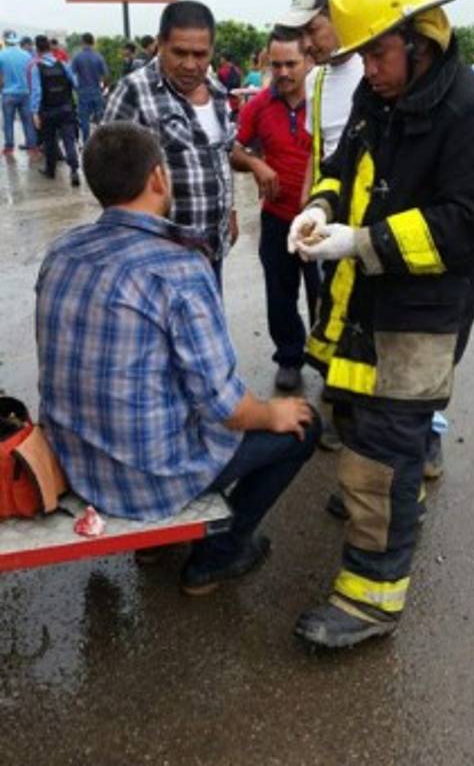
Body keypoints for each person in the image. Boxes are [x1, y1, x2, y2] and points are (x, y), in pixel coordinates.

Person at [288, 0, 474, 649]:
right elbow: (341, 167)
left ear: (423, 36)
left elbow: (465, 225)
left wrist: (359, 241)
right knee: (356, 424)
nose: (368, 70)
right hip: (359, 309)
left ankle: (370, 602)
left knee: (379, 459)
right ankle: (391, 493)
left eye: (377, 53)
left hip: (419, 322)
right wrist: (320, 210)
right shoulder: (377, 99)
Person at [36, 121, 320, 594]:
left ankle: (155, 541)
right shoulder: (178, 267)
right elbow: (228, 409)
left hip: (73, 463)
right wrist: (274, 412)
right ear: (158, 178)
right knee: (304, 426)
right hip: (149, 477)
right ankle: (218, 555)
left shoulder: (62, 251)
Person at [278, 0, 363, 449]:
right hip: (329, 215)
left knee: (372, 316)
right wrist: (307, 209)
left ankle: (412, 432)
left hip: (370, 221)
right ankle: (339, 403)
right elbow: (320, 154)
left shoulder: (378, 71)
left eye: (314, 29)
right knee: (328, 308)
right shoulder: (317, 79)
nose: (309, 44)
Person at [104, 0, 237, 289]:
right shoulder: (132, 92)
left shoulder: (216, 92)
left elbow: (221, 157)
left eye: (200, 54)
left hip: (211, 248)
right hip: (158, 257)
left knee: (205, 327)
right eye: (180, 52)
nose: (190, 65)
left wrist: (230, 213)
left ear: (212, 50)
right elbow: (108, 177)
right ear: (160, 44)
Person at [232, 28, 317, 391]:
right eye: (276, 64)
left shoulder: (325, 100)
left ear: (309, 60)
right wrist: (256, 164)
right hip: (277, 217)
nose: (283, 72)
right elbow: (233, 149)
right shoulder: (259, 105)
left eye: (291, 64)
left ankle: (329, 363)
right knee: (280, 293)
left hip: (320, 221)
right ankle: (289, 357)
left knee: (326, 295)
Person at [30, 35, 81, 186]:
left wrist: (34, 113)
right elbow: (75, 83)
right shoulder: (63, 64)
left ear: (38, 50)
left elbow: (37, 92)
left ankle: (50, 171)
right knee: (69, 140)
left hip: (48, 111)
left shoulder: (36, 68)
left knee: (50, 141)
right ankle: (74, 170)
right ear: (50, 48)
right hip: (66, 109)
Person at [0, 30, 38, 158]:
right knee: (27, 121)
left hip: (8, 93)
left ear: (5, 40)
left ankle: (9, 147)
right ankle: (32, 146)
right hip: (25, 93)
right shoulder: (27, 55)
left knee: (8, 121)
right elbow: (31, 74)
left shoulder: (1, 55)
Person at [72, 32, 108, 141]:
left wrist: (76, 88)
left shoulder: (77, 57)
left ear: (82, 42)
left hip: (83, 92)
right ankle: (102, 141)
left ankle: (86, 142)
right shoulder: (99, 57)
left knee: (84, 119)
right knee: (100, 119)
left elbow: (72, 74)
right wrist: (102, 87)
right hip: (97, 91)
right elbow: (105, 74)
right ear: (92, 42)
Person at [217, 51, 242, 120]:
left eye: (221, 58)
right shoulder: (238, 70)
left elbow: (219, 88)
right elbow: (240, 85)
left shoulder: (222, 71)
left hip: (226, 102)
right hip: (237, 102)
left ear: (224, 59)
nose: (220, 60)